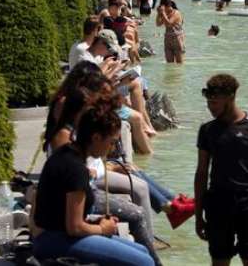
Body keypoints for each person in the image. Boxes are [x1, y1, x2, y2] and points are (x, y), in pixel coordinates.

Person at [33, 106, 156, 266]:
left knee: (143, 251)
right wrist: (103, 229)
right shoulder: (75, 169)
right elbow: (74, 228)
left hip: (56, 234)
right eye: (111, 142)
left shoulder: (68, 154)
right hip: (54, 241)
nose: (112, 148)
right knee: (145, 262)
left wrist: (96, 223)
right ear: (96, 137)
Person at [195, 74, 248, 266]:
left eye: (215, 103)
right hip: (217, 205)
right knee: (219, 261)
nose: (210, 107)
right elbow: (201, 174)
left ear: (231, 97)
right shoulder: (207, 130)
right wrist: (198, 216)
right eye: (208, 103)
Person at [156, 0, 185, 64]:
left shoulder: (176, 13)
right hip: (167, 39)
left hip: (177, 39)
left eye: (163, 7)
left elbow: (169, 23)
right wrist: (158, 14)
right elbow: (158, 24)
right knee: (169, 64)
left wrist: (163, 13)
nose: (163, 9)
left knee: (179, 63)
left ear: (168, 6)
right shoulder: (165, 14)